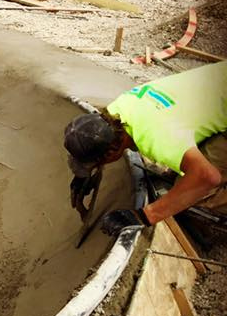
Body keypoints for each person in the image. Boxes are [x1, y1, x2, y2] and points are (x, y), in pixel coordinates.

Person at [64, 61, 227, 233]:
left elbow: (208, 177)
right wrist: (85, 174)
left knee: (195, 189)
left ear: (112, 152)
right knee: (186, 171)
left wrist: (146, 215)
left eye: (97, 162)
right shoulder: (118, 110)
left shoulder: (159, 139)